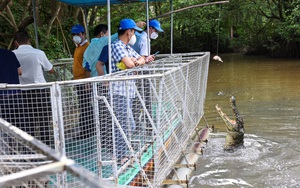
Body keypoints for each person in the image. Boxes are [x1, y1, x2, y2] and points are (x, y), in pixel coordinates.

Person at [111, 18, 145, 164]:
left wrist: (135, 61)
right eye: (133, 31)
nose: (134, 35)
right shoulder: (117, 45)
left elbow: (141, 59)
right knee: (124, 125)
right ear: (128, 32)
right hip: (119, 91)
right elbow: (130, 65)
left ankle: (122, 153)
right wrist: (134, 62)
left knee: (128, 124)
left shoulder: (127, 48)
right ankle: (120, 156)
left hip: (129, 91)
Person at [13, 30, 54, 146]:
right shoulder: (39, 53)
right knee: (44, 120)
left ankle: (29, 148)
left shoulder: (13, 54)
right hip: (40, 90)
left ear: (16, 43)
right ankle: (46, 148)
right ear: (29, 40)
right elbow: (50, 70)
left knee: (27, 122)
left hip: (22, 93)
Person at [131, 19, 164, 136]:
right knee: (144, 100)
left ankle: (139, 125)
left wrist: (146, 59)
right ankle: (148, 127)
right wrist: (148, 59)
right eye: (156, 30)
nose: (156, 33)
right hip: (141, 74)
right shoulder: (144, 39)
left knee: (139, 100)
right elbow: (142, 59)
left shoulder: (140, 37)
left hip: (137, 73)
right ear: (150, 29)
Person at [71, 24, 93, 139]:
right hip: (78, 80)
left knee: (86, 106)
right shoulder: (78, 47)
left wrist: (87, 82)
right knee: (83, 105)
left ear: (83, 34)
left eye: (78, 34)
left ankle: (86, 131)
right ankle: (85, 130)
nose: (76, 36)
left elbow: (87, 65)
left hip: (84, 81)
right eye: (74, 35)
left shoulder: (87, 47)